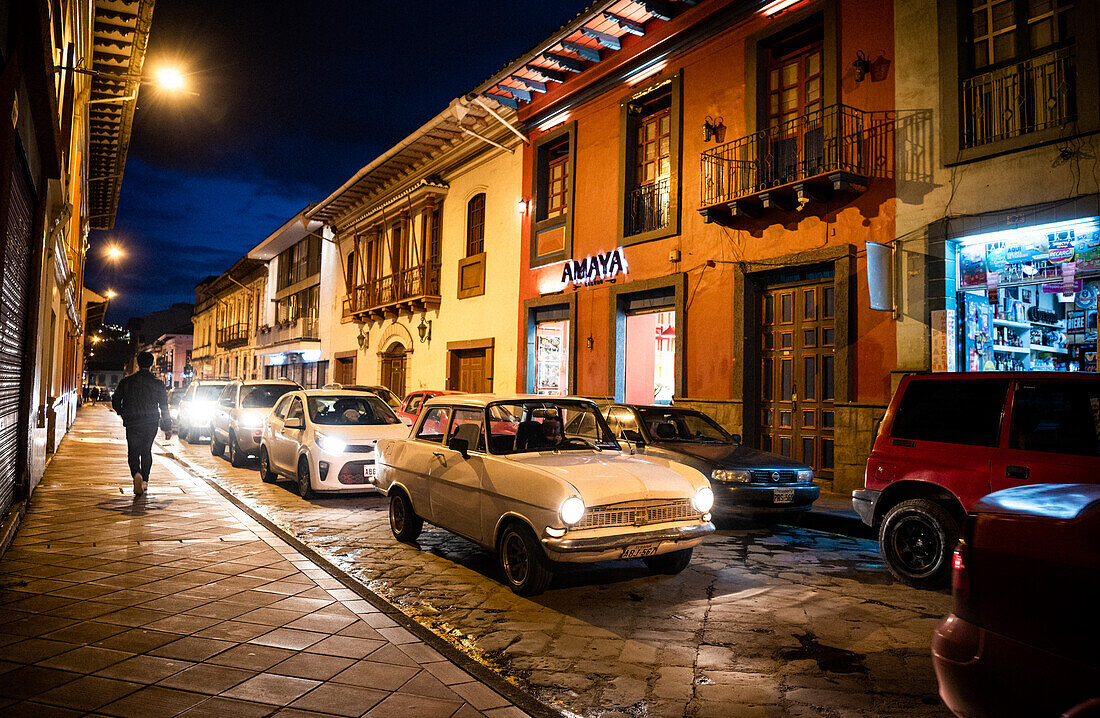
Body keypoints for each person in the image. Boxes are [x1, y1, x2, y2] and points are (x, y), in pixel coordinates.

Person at [111, 352, 172, 496]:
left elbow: (115, 401)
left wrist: (123, 412)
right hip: (150, 423)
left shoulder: (127, 381)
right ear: (151, 365)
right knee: (146, 451)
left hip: (132, 422)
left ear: (138, 363)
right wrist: (167, 427)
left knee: (133, 451)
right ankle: (145, 481)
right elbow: (164, 407)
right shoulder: (158, 384)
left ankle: (136, 475)